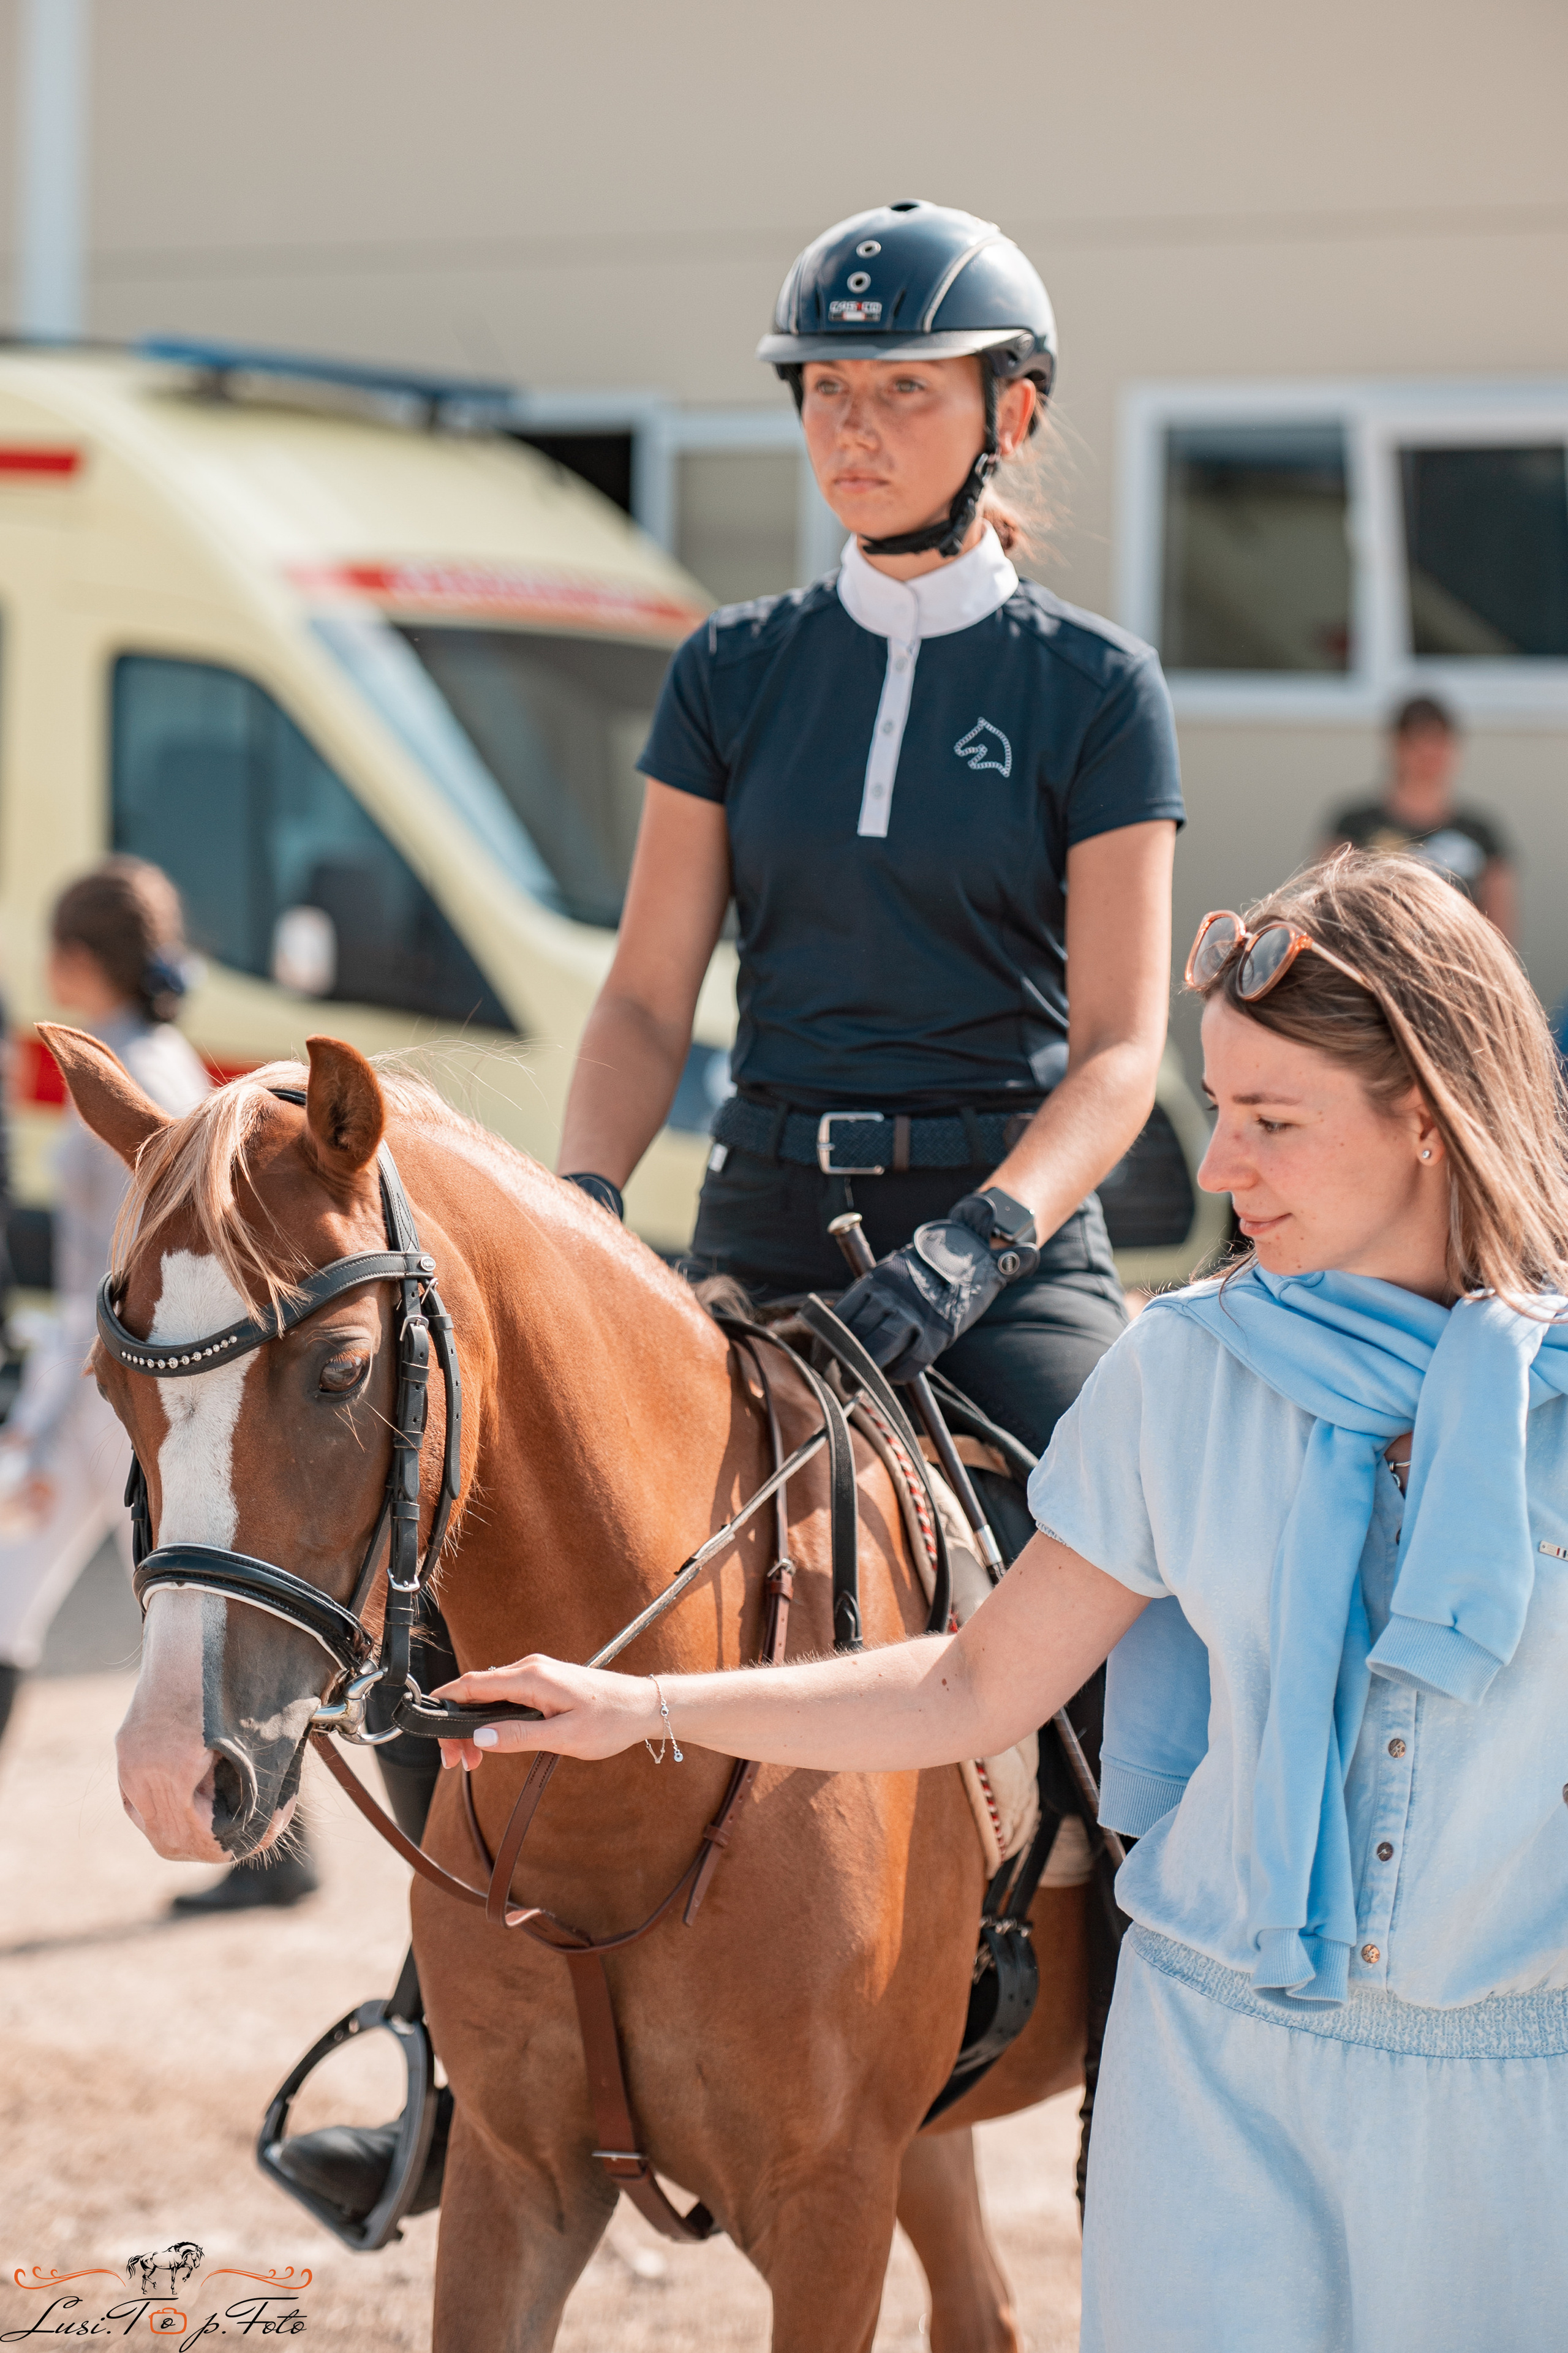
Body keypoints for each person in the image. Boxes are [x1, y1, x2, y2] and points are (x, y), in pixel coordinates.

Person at [277, 197, 1183, 2232]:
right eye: (825, 393)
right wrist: (590, 1218)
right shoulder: (734, 673)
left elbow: (1126, 1051)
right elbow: (638, 997)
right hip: (763, 1222)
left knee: (1154, 1590)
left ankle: (1150, 2058)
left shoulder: (1094, 689)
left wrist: (981, 1243)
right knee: (470, 1576)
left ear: (1011, 412)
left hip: (1005, 1250)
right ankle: (442, 2057)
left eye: (902, 395)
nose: (853, 429)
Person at [447, 849, 1568, 2349]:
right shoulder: (1182, 1373)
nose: (1219, 1166)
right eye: (1218, 1108)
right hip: (1216, 2086)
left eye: (1270, 1120)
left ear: (1422, 1113)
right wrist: (640, 1702)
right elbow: (971, 1684)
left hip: (1511, 2107)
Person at [0, 865, 313, 1906]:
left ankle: (277, 1842)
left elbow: (100, 1277)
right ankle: (285, 1849)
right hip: (141, 1388)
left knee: (28, 1599)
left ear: (77, 959)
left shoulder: (124, 1077)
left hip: (111, 1388)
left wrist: (33, 1428)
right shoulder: (172, 1063)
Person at [1324, 692, 1515, 940]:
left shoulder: (1481, 833)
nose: (1430, 751)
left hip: (1457, 960)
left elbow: (1500, 933)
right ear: (1396, 745)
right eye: (1419, 739)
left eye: (1440, 740)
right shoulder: (1355, 825)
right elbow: (1328, 911)